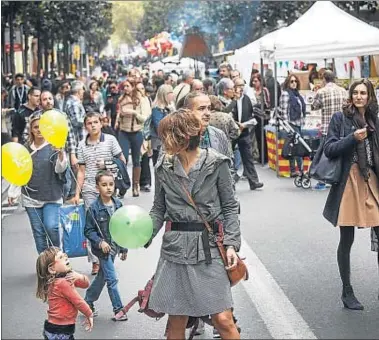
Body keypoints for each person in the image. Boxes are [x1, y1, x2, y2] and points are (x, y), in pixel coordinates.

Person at [147, 109, 241, 340]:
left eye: (168, 135)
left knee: (223, 320)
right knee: (176, 320)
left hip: (209, 247)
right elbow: (158, 208)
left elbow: (230, 206)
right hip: (175, 249)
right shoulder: (163, 167)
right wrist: (142, 233)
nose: (163, 141)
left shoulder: (217, 163)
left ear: (184, 135)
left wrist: (231, 244)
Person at [323, 79, 379, 310]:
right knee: (347, 239)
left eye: (363, 93)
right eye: (355, 92)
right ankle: (347, 291)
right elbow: (329, 148)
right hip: (348, 180)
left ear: (369, 96)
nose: (358, 96)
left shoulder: (374, 118)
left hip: (370, 179)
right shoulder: (340, 118)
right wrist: (352, 138)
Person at [73, 112, 126, 275]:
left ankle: (111, 253)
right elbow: (81, 171)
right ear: (85, 126)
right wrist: (77, 193)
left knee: (111, 222)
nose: (93, 125)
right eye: (89, 123)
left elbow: (122, 161)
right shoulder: (81, 145)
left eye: (96, 122)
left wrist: (107, 163)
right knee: (93, 224)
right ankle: (95, 261)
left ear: (101, 124)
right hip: (90, 188)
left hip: (109, 186)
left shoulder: (110, 140)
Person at [8, 113, 67, 254]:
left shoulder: (54, 146)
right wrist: (12, 192)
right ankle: (45, 265)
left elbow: (60, 170)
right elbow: (19, 172)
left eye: (42, 127)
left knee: (51, 226)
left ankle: (57, 259)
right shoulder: (25, 149)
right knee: (38, 233)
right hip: (31, 198)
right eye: (36, 127)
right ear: (31, 130)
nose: (39, 130)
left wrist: (60, 155)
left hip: (52, 195)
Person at [84, 170, 128, 321]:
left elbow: (122, 228)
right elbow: (88, 230)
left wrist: (124, 247)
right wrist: (100, 242)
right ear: (97, 188)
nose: (108, 188)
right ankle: (118, 309)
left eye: (111, 184)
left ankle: (87, 301)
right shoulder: (94, 208)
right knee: (112, 279)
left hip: (115, 247)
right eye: (104, 185)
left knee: (103, 276)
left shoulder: (118, 205)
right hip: (103, 250)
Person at [36, 247, 93, 339]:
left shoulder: (61, 279)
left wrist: (78, 276)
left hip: (55, 329)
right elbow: (78, 301)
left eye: (64, 255)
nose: (65, 257)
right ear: (52, 269)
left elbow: (85, 284)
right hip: (60, 331)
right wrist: (89, 314)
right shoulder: (62, 283)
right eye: (61, 257)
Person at [311, 70, 348, 190]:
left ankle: (323, 180)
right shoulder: (343, 91)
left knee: (325, 155)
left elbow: (314, 106)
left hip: (327, 127)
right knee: (340, 154)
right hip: (342, 128)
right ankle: (339, 178)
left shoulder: (321, 92)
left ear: (324, 79)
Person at [115, 79, 150, 197]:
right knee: (122, 159)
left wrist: (134, 113)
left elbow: (145, 118)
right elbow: (118, 116)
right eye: (124, 86)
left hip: (136, 132)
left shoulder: (140, 100)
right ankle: (123, 185)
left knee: (137, 160)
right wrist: (120, 116)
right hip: (123, 132)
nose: (125, 88)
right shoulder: (121, 99)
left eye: (128, 86)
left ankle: (136, 185)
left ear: (133, 86)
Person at [278, 74, 307, 177]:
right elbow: (284, 111)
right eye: (291, 81)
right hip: (291, 124)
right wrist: (287, 126)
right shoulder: (285, 94)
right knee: (298, 147)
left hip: (299, 124)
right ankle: (300, 170)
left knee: (294, 147)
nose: (294, 83)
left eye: (295, 81)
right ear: (287, 83)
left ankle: (293, 170)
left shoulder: (297, 94)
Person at [151, 84, 175, 165]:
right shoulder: (157, 109)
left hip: (168, 142)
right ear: (164, 94)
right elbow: (159, 126)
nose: (173, 94)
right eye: (170, 92)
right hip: (159, 143)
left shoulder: (168, 107)